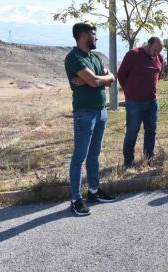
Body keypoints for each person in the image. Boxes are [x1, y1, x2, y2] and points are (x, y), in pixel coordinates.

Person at [64, 22, 116, 216]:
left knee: (94, 154)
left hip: (100, 111)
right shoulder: (74, 57)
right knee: (80, 156)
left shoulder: (94, 56)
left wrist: (97, 80)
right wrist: (96, 80)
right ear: (83, 35)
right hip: (84, 113)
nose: (96, 37)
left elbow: (110, 77)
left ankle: (93, 191)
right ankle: (76, 199)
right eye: (94, 34)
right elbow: (95, 81)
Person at [117, 36, 164, 168]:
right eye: (155, 50)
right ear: (148, 45)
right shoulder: (133, 54)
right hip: (134, 102)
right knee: (132, 131)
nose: (156, 53)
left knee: (151, 130)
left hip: (152, 101)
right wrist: (130, 90)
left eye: (159, 51)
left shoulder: (159, 58)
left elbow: (158, 75)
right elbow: (121, 74)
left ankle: (149, 158)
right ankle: (128, 161)